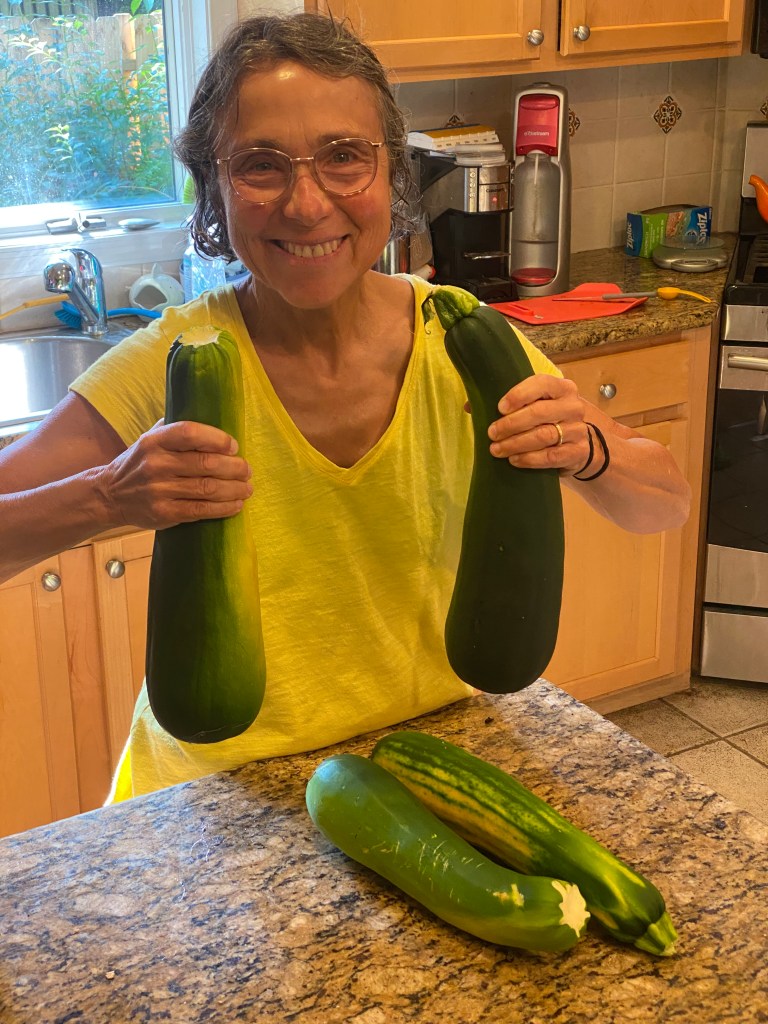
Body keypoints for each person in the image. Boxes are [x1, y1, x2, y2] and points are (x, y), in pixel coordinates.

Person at [0, 13, 690, 801]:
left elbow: (665, 503)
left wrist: (590, 453)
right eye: (260, 165)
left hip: (422, 765)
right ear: (214, 189)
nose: (306, 204)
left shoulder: (463, 340)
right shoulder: (180, 356)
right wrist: (107, 496)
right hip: (216, 791)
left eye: (343, 157)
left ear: (391, 173)